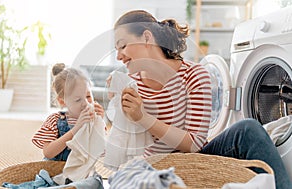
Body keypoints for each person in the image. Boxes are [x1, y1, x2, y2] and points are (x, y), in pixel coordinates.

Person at [113, 10, 292, 189]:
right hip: (154, 165)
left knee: (248, 129)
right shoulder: (130, 84)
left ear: (146, 37)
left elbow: (194, 145)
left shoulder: (194, 75)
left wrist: (142, 118)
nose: (118, 56)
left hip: (197, 161)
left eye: (123, 46)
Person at [32, 63, 105, 161]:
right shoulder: (55, 120)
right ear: (63, 101)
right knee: (41, 177)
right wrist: (76, 128)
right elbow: (48, 153)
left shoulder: (92, 120)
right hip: (54, 171)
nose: (86, 103)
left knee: (95, 177)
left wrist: (99, 122)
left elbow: (101, 151)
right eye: (78, 99)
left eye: (88, 96)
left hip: (80, 173)